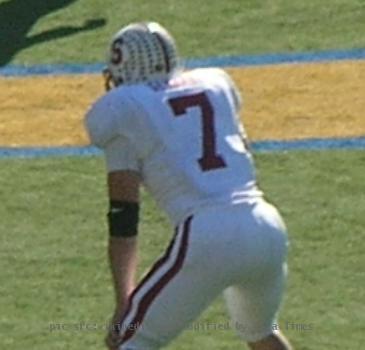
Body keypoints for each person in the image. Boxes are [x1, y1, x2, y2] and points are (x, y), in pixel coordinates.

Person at [84, 22, 293, 350]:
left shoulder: (125, 111)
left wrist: (124, 300)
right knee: (261, 333)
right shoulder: (214, 85)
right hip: (265, 225)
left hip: (209, 233)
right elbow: (243, 155)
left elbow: (123, 221)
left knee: (129, 341)